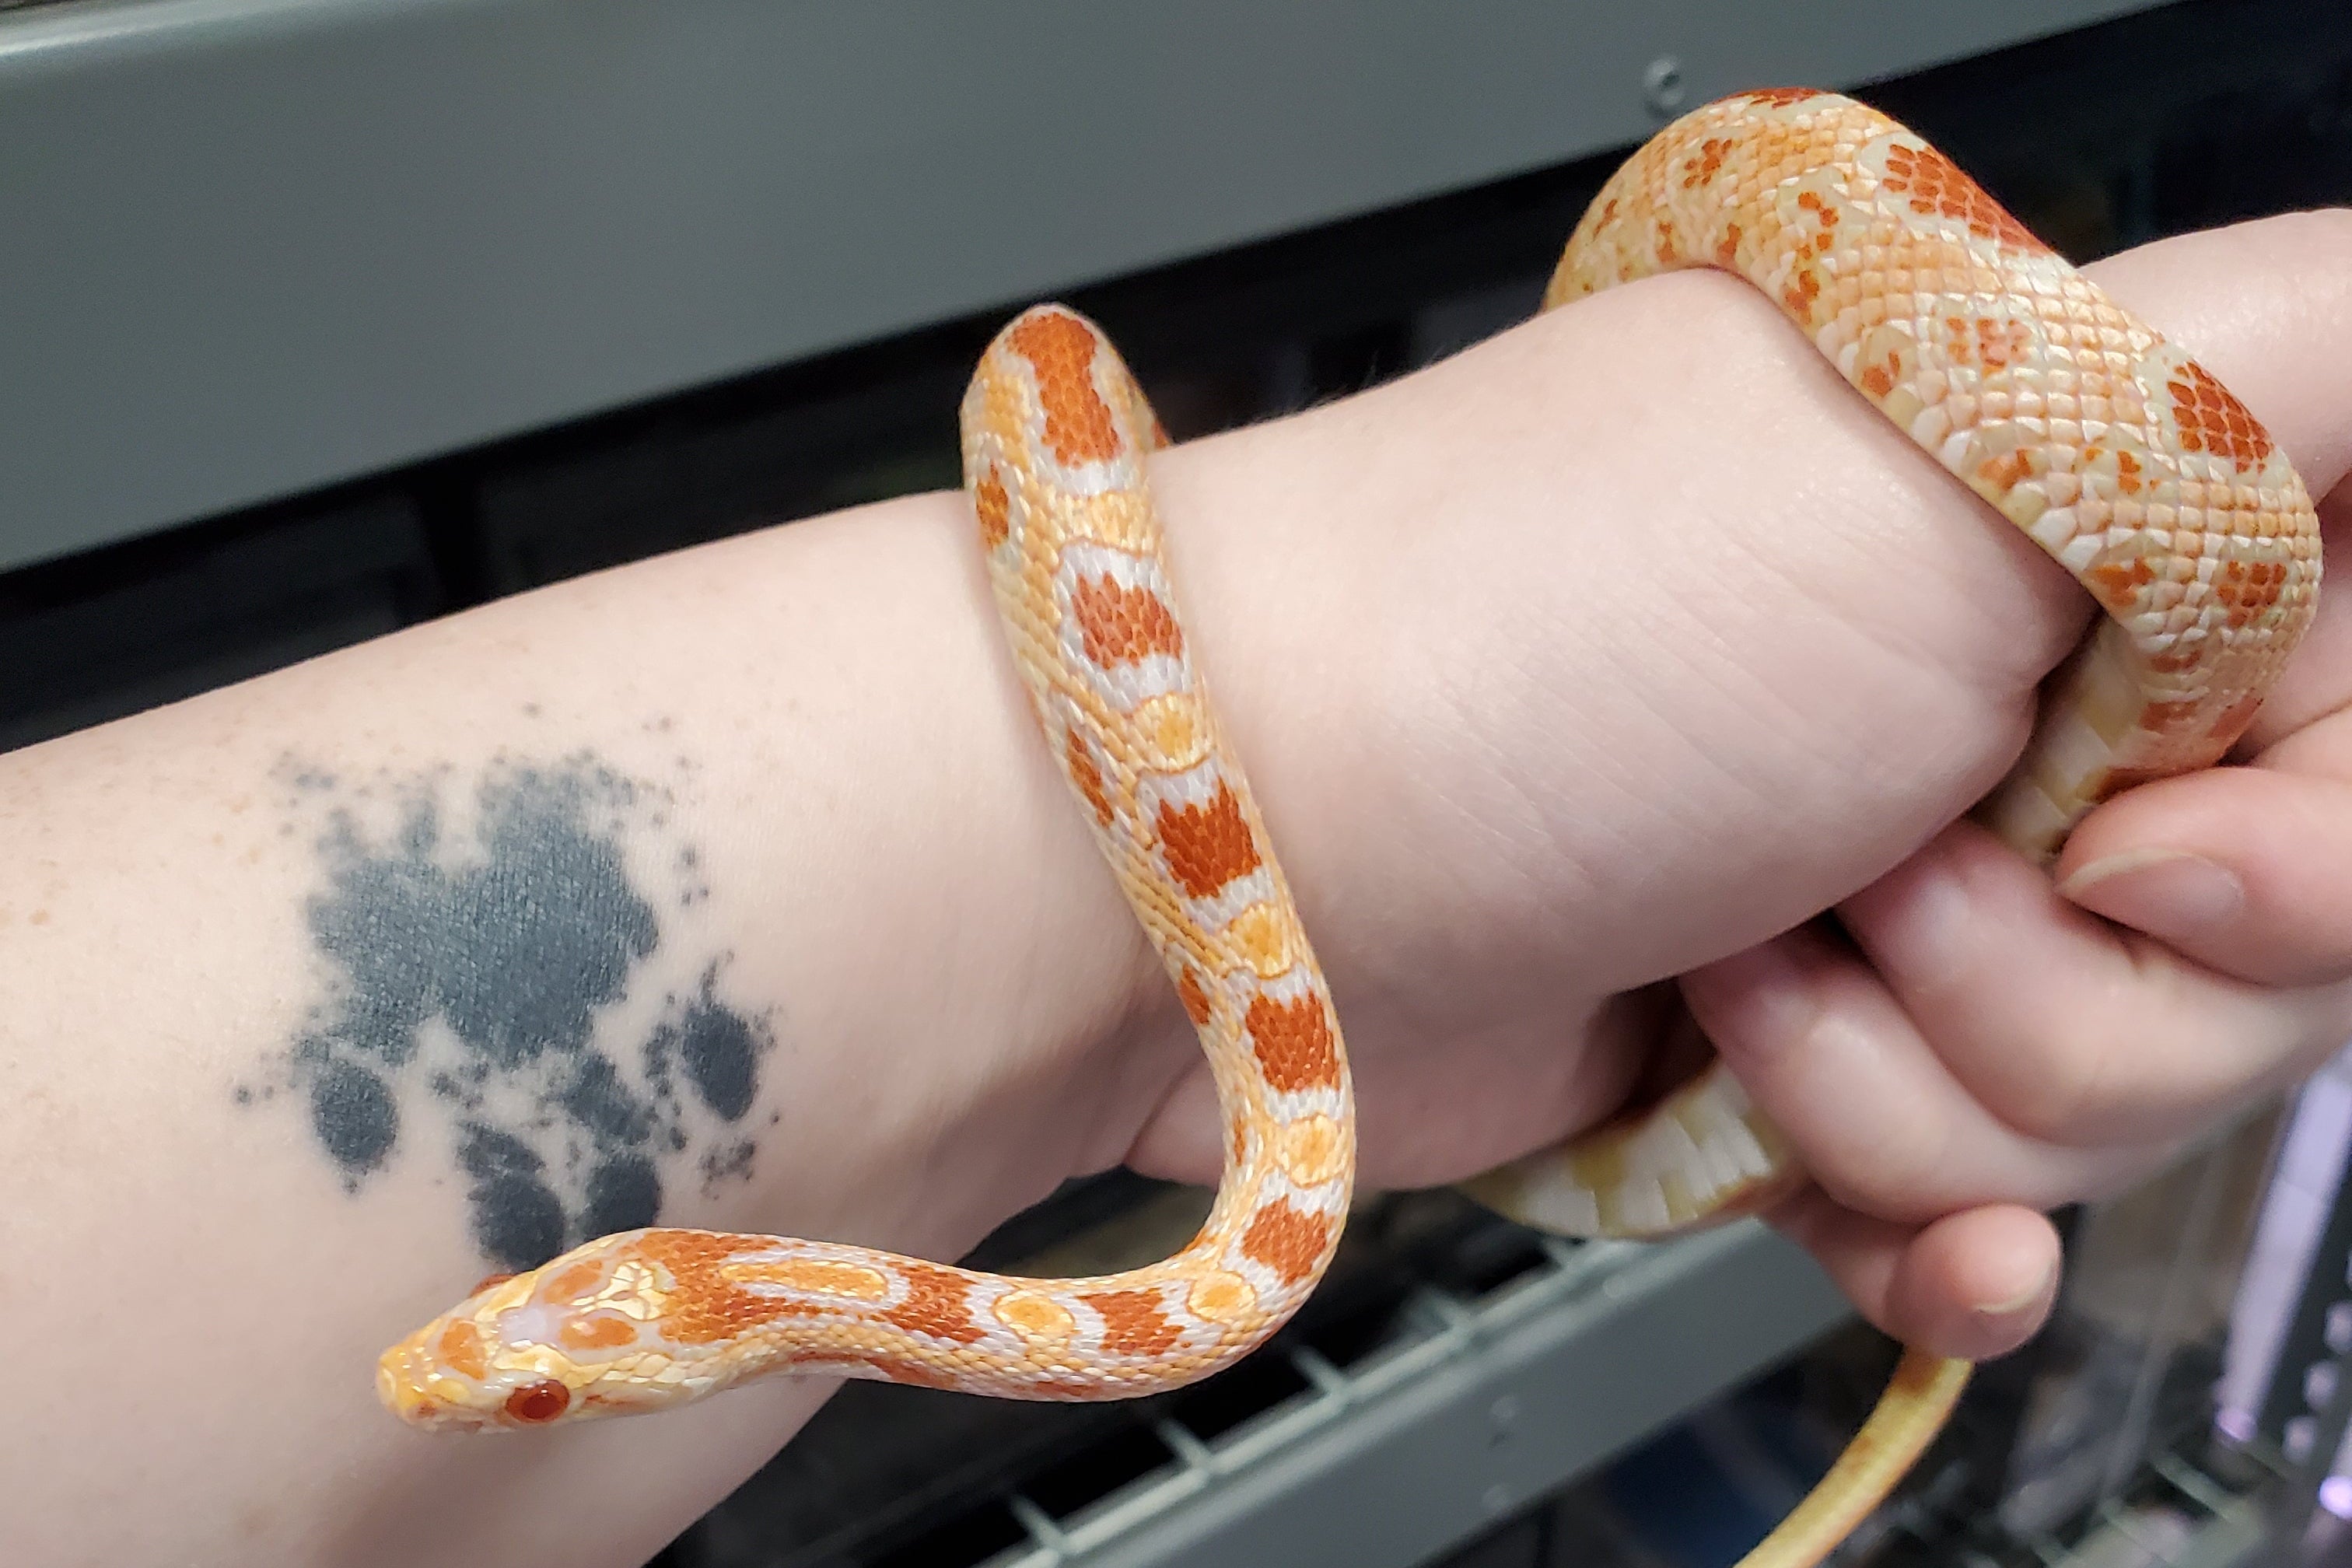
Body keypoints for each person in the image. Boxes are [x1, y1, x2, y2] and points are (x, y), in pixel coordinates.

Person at [2, 210, 2347, 1566]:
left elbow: (1058, 385)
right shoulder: (1170, 1219)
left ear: (674, 1286)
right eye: (536, 1373)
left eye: (534, 1357)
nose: (470, 1378)